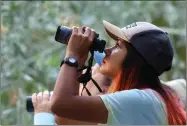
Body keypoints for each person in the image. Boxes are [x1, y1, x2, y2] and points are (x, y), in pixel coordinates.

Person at [32, 20, 186, 125]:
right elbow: (64, 116)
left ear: (136, 59)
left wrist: (72, 55)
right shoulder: (147, 100)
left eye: (118, 46)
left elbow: (61, 105)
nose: (107, 50)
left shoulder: (142, 100)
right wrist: (78, 61)